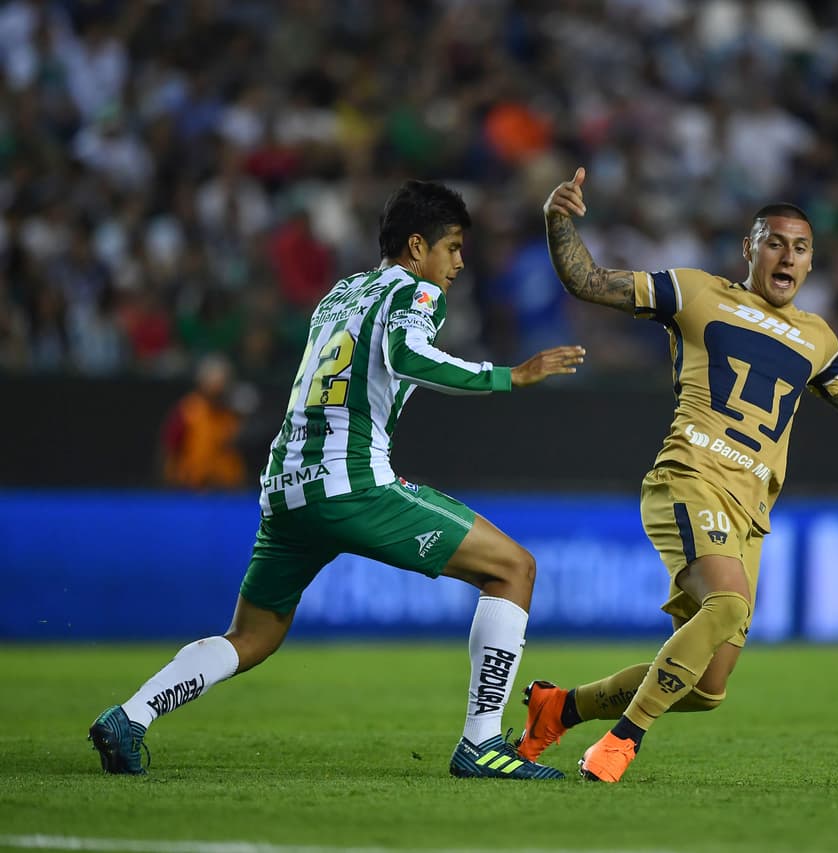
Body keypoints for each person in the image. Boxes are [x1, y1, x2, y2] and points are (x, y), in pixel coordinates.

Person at [89, 180, 586, 780]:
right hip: (350, 481)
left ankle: (130, 715)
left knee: (253, 635)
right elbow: (406, 355)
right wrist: (509, 376)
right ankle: (481, 744)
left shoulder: (341, 294)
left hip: (285, 483)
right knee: (513, 569)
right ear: (416, 246)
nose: (458, 264)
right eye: (452, 248)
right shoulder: (414, 291)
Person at [516, 168, 838, 783]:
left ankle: (559, 708)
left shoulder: (816, 336)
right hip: (691, 477)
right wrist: (557, 219)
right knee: (726, 605)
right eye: (775, 241)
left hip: (750, 510)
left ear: (810, 264)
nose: (788, 255)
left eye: (801, 248)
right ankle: (619, 743)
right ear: (749, 248)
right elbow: (589, 281)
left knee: (704, 688)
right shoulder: (697, 293)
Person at [159, 353, 249, 490]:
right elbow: (169, 449)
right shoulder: (188, 409)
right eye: (214, 380)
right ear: (202, 381)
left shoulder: (233, 413)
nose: (219, 386)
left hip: (227, 489)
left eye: (223, 380)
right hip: (190, 488)